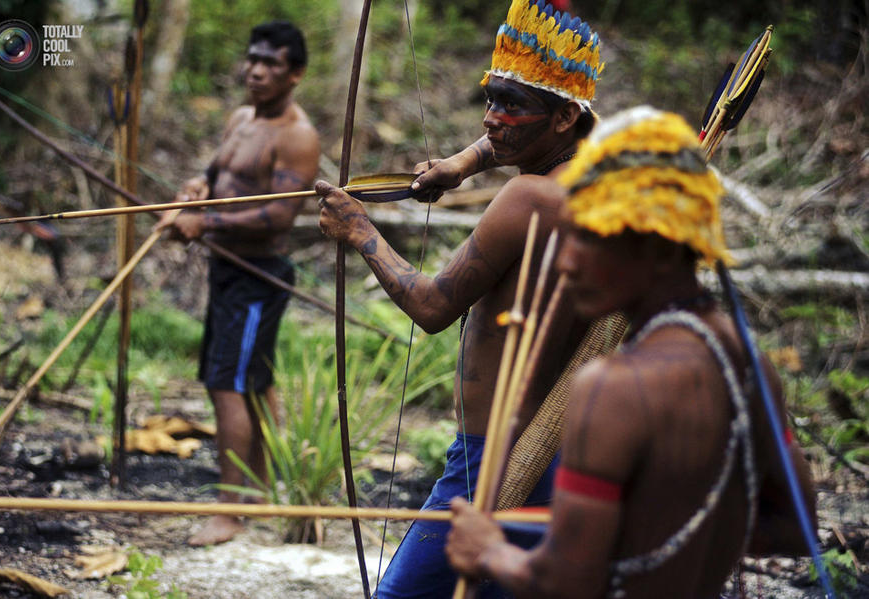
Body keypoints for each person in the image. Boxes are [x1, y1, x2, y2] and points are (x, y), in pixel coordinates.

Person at [445, 106, 817, 598]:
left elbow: (566, 582)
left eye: (591, 237)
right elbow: (796, 527)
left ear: (660, 248)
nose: (569, 260)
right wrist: (660, 531)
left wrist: (489, 550)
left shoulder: (611, 389)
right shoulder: (749, 363)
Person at [316, 2, 604, 596]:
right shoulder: (601, 178)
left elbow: (432, 307)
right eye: (489, 100)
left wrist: (360, 232)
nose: (493, 119)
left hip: (494, 458)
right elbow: (509, 132)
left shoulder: (528, 198)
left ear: (564, 117)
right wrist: (462, 164)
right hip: (558, 448)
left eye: (512, 106)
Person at [157, 20, 320, 546]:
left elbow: (280, 215)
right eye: (253, 59)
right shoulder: (241, 118)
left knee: (229, 384)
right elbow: (218, 172)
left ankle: (230, 512)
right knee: (252, 380)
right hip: (226, 270)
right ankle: (257, 492)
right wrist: (198, 190)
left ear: (294, 74)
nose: (255, 70)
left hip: (258, 277)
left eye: (270, 63)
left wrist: (205, 223)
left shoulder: (297, 135)